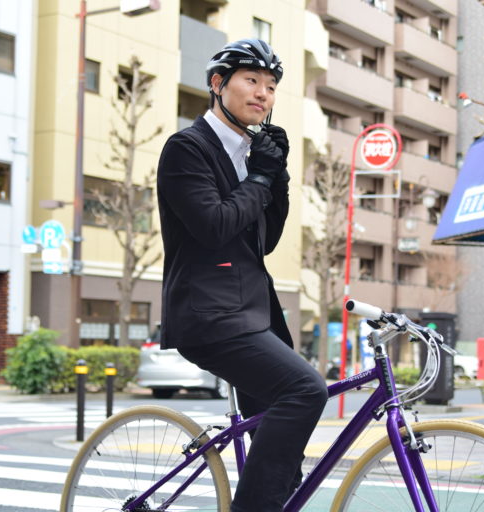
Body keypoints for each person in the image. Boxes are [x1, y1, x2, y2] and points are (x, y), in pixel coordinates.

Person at [156, 39, 328, 512]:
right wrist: (258, 179)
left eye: (270, 87)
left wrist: (278, 176)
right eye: (251, 81)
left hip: (254, 313)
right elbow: (214, 228)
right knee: (305, 390)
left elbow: (263, 240)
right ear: (217, 84)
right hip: (209, 314)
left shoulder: (251, 153)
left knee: (284, 463)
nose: (262, 94)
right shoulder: (185, 149)